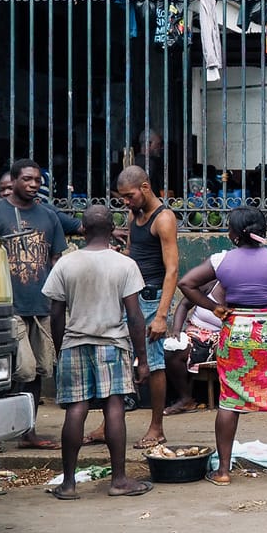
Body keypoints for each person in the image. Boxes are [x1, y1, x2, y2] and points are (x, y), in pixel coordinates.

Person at [177, 207, 267, 485]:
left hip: (235, 336)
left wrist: (214, 307)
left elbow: (186, 283)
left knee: (229, 399)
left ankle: (223, 472)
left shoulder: (221, 261)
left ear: (233, 234)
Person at [40, 205, 153, 499]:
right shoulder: (124, 265)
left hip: (74, 344)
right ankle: (118, 480)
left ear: (83, 230)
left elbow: (55, 313)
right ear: (112, 229)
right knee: (114, 406)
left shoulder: (65, 264)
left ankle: (68, 484)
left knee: (76, 409)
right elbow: (135, 315)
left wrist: (60, 345)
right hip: (112, 345)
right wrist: (141, 358)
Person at [0, 158, 66, 451]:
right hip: (10, 306)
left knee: (40, 370)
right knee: (18, 370)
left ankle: (28, 431)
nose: (32, 185)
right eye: (27, 180)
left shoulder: (49, 216)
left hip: (41, 306)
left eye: (37, 181)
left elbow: (56, 260)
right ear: (14, 180)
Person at [109, 166, 179, 450]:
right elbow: (134, 254)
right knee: (119, 357)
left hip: (152, 299)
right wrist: (119, 257)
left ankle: (157, 427)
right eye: (122, 197)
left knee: (155, 363)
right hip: (132, 297)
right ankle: (108, 424)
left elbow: (172, 269)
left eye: (129, 195)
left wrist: (162, 315)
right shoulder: (133, 214)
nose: (126, 201)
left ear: (146, 188)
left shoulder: (164, 219)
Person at [161, 279, 224, 415]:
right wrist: (176, 330)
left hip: (222, 338)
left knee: (229, 352)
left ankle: (234, 400)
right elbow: (184, 304)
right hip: (195, 332)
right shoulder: (211, 284)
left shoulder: (245, 293)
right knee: (172, 348)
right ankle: (186, 399)